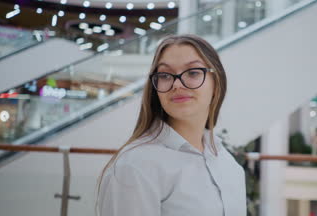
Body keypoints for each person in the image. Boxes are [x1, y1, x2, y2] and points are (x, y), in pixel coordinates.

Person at [97, 34, 246, 216]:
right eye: (165, 75)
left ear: (216, 84)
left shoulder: (227, 163)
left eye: (193, 72)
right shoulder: (134, 167)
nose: (176, 84)